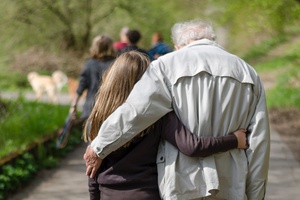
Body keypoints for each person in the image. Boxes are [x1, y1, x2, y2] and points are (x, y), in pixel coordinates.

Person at [84, 20, 270, 200]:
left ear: (178, 45)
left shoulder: (164, 66)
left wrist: (99, 147)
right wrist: (256, 195)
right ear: (212, 39)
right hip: (231, 182)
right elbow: (259, 143)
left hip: (183, 184)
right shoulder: (248, 73)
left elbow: (136, 112)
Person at [69, 34, 116, 123]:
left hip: (90, 109)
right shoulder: (116, 64)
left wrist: (73, 106)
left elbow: (80, 87)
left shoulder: (90, 64)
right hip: (111, 110)